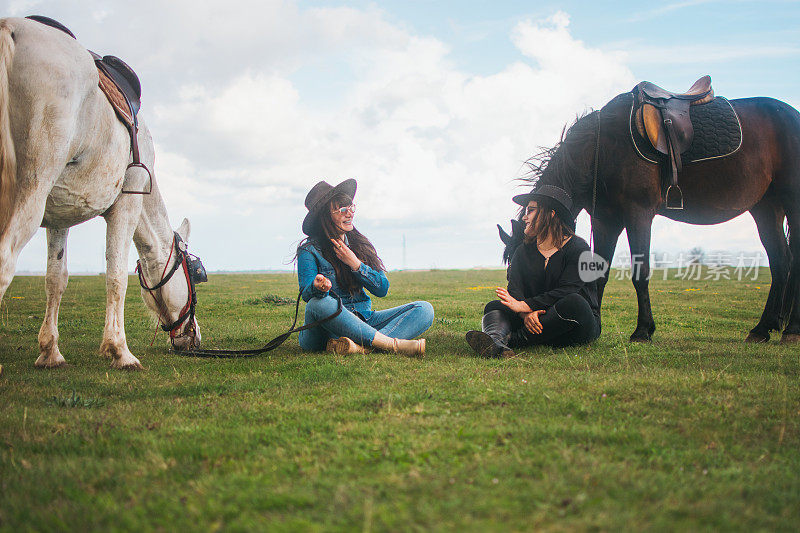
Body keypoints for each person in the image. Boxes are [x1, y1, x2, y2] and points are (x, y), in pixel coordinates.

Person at [296, 179, 434, 356]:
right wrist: (317, 287)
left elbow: (382, 288)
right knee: (317, 304)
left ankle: (361, 347)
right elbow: (306, 294)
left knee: (424, 309)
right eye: (343, 210)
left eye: (351, 208)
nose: (350, 214)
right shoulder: (309, 250)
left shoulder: (359, 244)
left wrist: (355, 264)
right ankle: (390, 344)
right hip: (327, 328)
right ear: (325, 216)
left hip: (364, 319)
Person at [466, 184, 600, 357]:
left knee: (574, 302)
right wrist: (525, 314)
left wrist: (526, 305)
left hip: (570, 325)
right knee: (495, 306)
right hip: (536, 323)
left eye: (530, 210)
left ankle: (511, 341)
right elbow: (515, 289)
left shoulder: (579, 248)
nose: (524, 217)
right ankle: (494, 339)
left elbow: (568, 290)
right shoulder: (523, 251)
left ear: (550, 214)